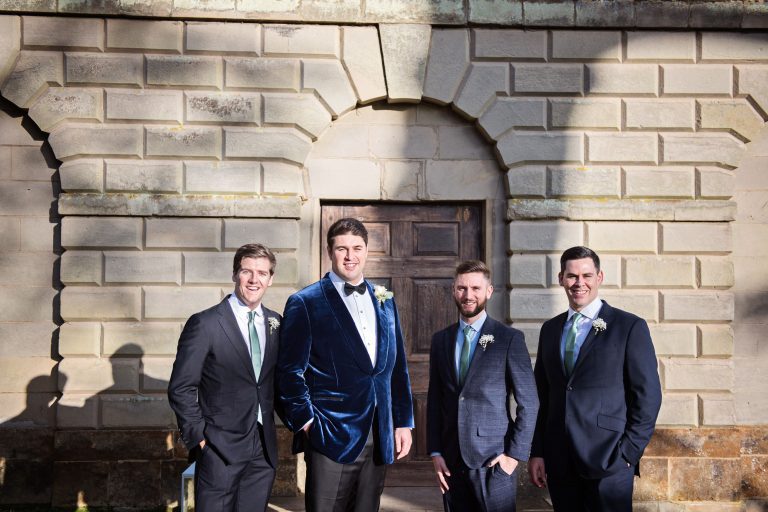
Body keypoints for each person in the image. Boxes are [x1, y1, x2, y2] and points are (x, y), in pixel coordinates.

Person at [277, 217, 414, 512]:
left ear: (366, 251)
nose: (350, 256)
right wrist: (308, 423)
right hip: (330, 433)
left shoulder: (385, 299)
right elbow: (289, 372)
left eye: (357, 248)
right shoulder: (305, 302)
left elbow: (397, 367)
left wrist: (403, 422)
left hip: (379, 433)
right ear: (330, 251)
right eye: (342, 249)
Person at [528, 246, 662, 512]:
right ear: (561, 279)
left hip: (609, 459)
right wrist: (538, 451)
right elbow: (542, 396)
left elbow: (648, 396)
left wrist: (628, 452)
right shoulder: (550, 329)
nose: (579, 283)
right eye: (572, 276)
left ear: (599, 277)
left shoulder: (629, 326)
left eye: (586, 276)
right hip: (560, 459)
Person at [168, 243, 282, 512]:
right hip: (219, 448)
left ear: (270, 279)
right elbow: (181, 387)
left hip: (263, 449)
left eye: (262, 273)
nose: (255, 280)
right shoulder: (205, 323)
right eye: (247, 272)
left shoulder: (276, 322)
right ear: (235, 275)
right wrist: (199, 438)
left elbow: (277, 382)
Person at [427, 260, 539, 512]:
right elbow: (435, 400)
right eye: (462, 288)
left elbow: (529, 402)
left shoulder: (509, 339)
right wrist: (435, 452)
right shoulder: (441, 340)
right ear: (453, 290)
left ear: (488, 291)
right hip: (451, 461)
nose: (468, 295)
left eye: (476, 288)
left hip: (493, 462)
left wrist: (513, 458)